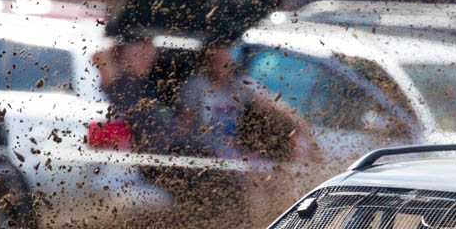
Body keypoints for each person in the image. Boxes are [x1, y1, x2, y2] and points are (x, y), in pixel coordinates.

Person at [178, 43, 320, 162]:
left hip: (239, 149)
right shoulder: (195, 88)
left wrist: (306, 136)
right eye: (214, 60)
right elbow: (183, 124)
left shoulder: (241, 85)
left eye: (222, 60)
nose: (219, 65)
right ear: (204, 62)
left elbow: (278, 107)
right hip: (206, 151)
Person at [98, 38, 182, 152]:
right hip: (149, 152)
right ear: (124, 55)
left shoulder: (148, 85)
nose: (147, 60)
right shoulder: (119, 82)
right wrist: (120, 41)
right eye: (141, 55)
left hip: (172, 148)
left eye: (150, 56)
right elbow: (99, 55)